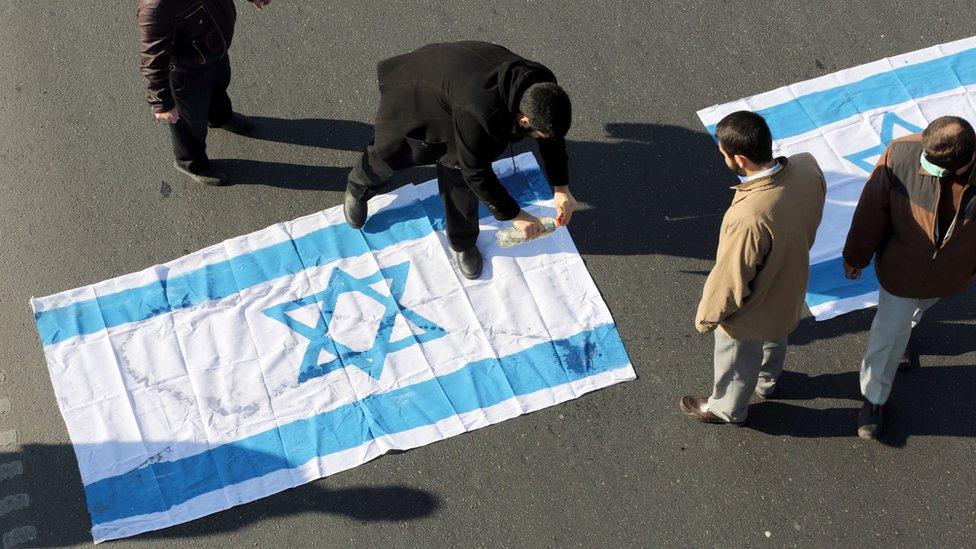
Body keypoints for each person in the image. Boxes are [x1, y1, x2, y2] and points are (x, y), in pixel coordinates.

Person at [343, 41, 578, 279]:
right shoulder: (483, 112)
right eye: (537, 134)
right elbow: (476, 170)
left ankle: (462, 242)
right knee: (388, 154)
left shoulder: (543, 86)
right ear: (524, 120)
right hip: (419, 95)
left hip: (460, 87)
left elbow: (551, 136)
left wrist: (561, 187)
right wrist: (516, 215)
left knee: (458, 177)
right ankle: (358, 187)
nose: (540, 139)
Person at [680, 111, 826, 426]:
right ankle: (767, 382)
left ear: (741, 159)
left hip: (752, 307)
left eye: (723, 154)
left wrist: (707, 317)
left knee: (735, 357)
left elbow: (731, 279)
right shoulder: (806, 165)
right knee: (777, 334)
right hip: (792, 282)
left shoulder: (749, 217)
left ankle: (727, 408)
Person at [843, 115, 976, 440]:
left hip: (950, 274)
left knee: (913, 313)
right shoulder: (901, 153)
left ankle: (906, 331)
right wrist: (855, 256)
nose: (920, 163)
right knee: (888, 332)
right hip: (901, 271)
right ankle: (875, 398)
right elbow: (871, 209)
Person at [137, 0, 270, 186]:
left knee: (219, 87)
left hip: (214, 50)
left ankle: (219, 117)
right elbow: (152, 59)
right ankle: (191, 163)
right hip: (187, 72)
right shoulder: (156, 8)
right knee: (188, 124)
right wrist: (162, 102)